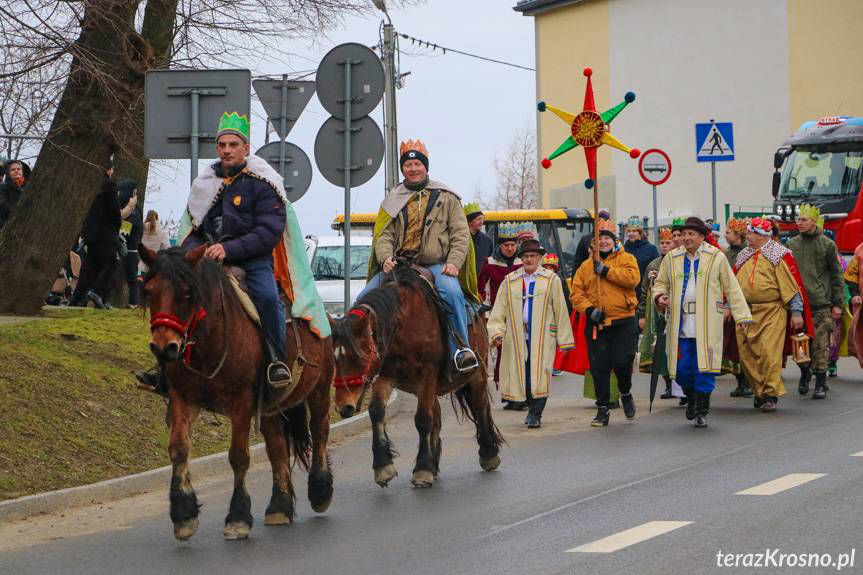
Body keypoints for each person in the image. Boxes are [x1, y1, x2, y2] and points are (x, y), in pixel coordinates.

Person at [363, 139, 479, 373]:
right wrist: (385, 258)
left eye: (417, 164)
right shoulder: (391, 201)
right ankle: (366, 356)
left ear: (426, 167)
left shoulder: (447, 197)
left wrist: (454, 263)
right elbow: (383, 236)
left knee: (453, 293)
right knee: (363, 299)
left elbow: (460, 234)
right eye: (408, 164)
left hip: (435, 265)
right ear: (402, 168)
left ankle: (461, 349)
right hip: (398, 266)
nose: (413, 168)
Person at [653, 217, 752, 428]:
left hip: (707, 322)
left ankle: (701, 410)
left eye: (691, 234)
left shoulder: (716, 257)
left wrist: (741, 315)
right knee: (681, 370)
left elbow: (732, 287)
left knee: (704, 369)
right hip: (681, 323)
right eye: (684, 234)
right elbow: (661, 283)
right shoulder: (672, 258)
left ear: (701, 236)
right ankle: (691, 396)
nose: (686, 238)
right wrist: (660, 296)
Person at [488, 239, 574, 428]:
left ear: (539, 258)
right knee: (523, 375)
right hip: (517, 337)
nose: (529, 259)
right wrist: (496, 332)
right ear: (521, 258)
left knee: (541, 373)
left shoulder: (551, 280)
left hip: (543, 336)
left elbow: (560, 309)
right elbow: (499, 310)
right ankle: (530, 406)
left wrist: (565, 340)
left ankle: (535, 413)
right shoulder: (510, 280)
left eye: (533, 256)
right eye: (526, 256)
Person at [734, 217, 811, 412]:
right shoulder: (743, 254)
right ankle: (759, 390)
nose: (747, 236)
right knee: (747, 355)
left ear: (761, 236)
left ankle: (770, 394)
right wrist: (728, 305)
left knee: (769, 353)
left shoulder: (780, 255)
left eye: (751, 233)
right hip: (745, 313)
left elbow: (792, 286)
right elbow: (732, 285)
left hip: (772, 311)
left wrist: (796, 312)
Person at [570, 218, 640, 427]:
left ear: (614, 241)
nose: (603, 242)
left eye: (607, 238)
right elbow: (576, 294)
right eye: (599, 239)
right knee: (599, 367)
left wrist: (606, 271)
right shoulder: (585, 266)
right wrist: (589, 311)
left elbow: (632, 279)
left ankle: (625, 393)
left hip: (623, 321)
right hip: (597, 324)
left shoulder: (627, 259)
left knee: (622, 363)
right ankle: (602, 409)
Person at [786, 205, 844, 399]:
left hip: (821, 306)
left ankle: (821, 382)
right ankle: (805, 373)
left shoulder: (827, 245)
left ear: (813, 221)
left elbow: (837, 276)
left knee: (820, 346)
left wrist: (838, 304)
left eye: (803, 219)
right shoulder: (792, 244)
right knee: (800, 346)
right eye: (798, 219)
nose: (798, 223)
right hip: (799, 307)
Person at [478, 222, 523, 409]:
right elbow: (480, 287)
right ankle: (508, 394)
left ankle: (521, 394)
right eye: (506, 245)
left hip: (522, 313)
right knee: (504, 354)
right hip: (500, 314)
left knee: (521, 354)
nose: (510, 248)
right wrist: (484, 307)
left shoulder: (523, 262)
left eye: (513, 245)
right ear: (500, 246)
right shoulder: (490, 263)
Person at [69, 167, 127, 309]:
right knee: (110, 264)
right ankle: (97, 292)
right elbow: (114, 213)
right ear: (108, 169)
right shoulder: (109, 186)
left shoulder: (89, 183)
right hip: (106, 235)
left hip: (91, 235)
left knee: (90, 268)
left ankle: (77, 298)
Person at [637, 227, 674, 398]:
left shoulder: (678, 262)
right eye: (662, 243)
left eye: (668, 243)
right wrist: (642, 314)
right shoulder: (653, 265)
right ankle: (668, 385)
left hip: (674, 311)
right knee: (660, 350)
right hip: (656, 313)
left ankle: (681, 386)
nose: (664, 246)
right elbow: (644, 291)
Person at [723, 217, 752, 397]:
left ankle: (748, 380)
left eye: (728, 232)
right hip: (728, 304)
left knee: (746, 344)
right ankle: (741, 381)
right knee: (733, 345)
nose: (725, 236)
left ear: (738, 234)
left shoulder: (747, 253)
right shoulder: (725, 254)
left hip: (743, 304)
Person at [118, 180, 143, 308]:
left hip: (130, 248)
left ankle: (134, 302)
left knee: (132, 278)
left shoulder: (133, 210)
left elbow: (130, 228)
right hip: (131, 247)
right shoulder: (134, 207)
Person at [623, 215, 659, 300]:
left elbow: (657, 268)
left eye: (634, 231)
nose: (631, 234)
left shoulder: (651, 249)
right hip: (626, 294)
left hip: (644, 293)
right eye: (629, 231)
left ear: (640, 233)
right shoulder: (623, 249)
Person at [573, 208, 611, 273]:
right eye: (599, 220)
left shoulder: (614, 240)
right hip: (590, 276)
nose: (602, 223)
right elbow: (577, 265)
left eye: (605, 221)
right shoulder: (586, 240)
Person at [465, 202, 493, 276]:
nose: (481, 222)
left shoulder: (487, 240)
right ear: (469, 222)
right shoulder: (460, 239)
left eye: (482, 219)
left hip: (482, 280)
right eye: (478, 219)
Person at [0, 160, 29, 231]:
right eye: (13, 169)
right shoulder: (2, 187)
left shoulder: (28, 189)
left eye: (19, 169)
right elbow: (3, 206)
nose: (16, 171)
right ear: (8, 173)